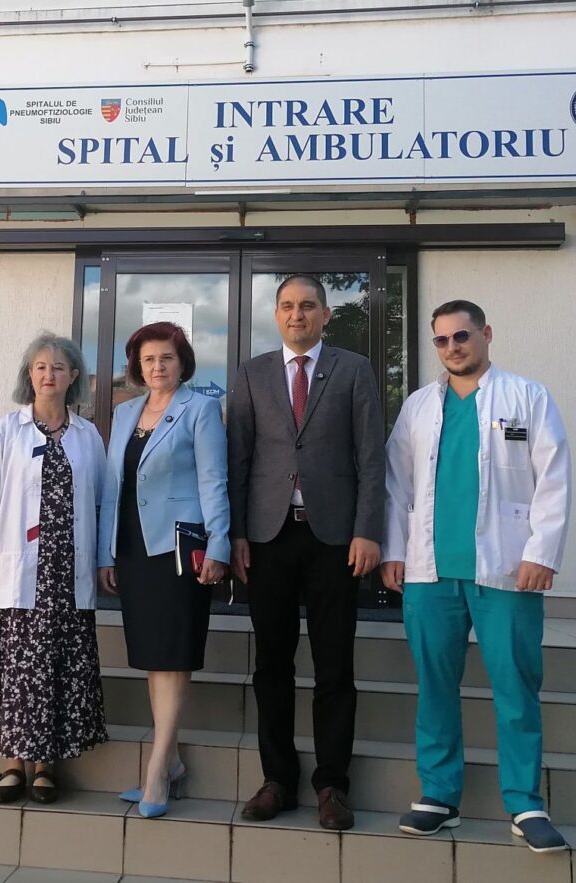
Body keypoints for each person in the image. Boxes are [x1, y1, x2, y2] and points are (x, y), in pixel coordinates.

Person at [381, 300, 571, 853]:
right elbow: (396, 483)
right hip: (429, 572)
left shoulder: (527, 397)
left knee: (515, 685)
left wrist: (542, 552)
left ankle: (525, 802)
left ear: (485, 334)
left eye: (461, 336)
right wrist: (393, 549)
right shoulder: (419, 406)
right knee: (435, 685)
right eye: (441, 340)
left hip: (506, 570)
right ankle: (439, 795)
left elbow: (553, 477)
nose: (452, 348)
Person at [227, 275, 385, 831]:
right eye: (288, 306)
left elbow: (371, 457)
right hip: (267, 538)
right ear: (276, 315)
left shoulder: (354, 370)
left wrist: (368, 530)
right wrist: (237, 534)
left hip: (334, 539)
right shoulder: (252, 373)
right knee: (271, 664)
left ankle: (332, 785)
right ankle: (278, 779)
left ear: (325, 314)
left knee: (334, 665)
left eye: (308, 306)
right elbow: (238, 459)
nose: (298, 315)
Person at [0, 333, 108, 804]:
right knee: (16, 667)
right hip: (15, 570)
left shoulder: (87, 436)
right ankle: (12, 764)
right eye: (40, 367)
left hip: (66, 572)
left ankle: (46, 766)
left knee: (56, 665)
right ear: (30, 374)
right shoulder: (8, 430)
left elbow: (102, 504)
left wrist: (104, 561)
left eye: (58, 367)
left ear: (73, 377)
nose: (48, 375)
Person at [97, 322, 229, 819]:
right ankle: (171, 760)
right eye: (149, 359)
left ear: (182, 363)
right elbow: (112, 487)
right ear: (137, 366)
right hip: (133, 548)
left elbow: (214, 480)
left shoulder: (200, 409)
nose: (158, 367)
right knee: (154, 658)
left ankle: (156, 770)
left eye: (167, 358)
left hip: (179, 548)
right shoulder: (125, 413)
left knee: (173, 656)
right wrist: (106, 553)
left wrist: (219, 544)